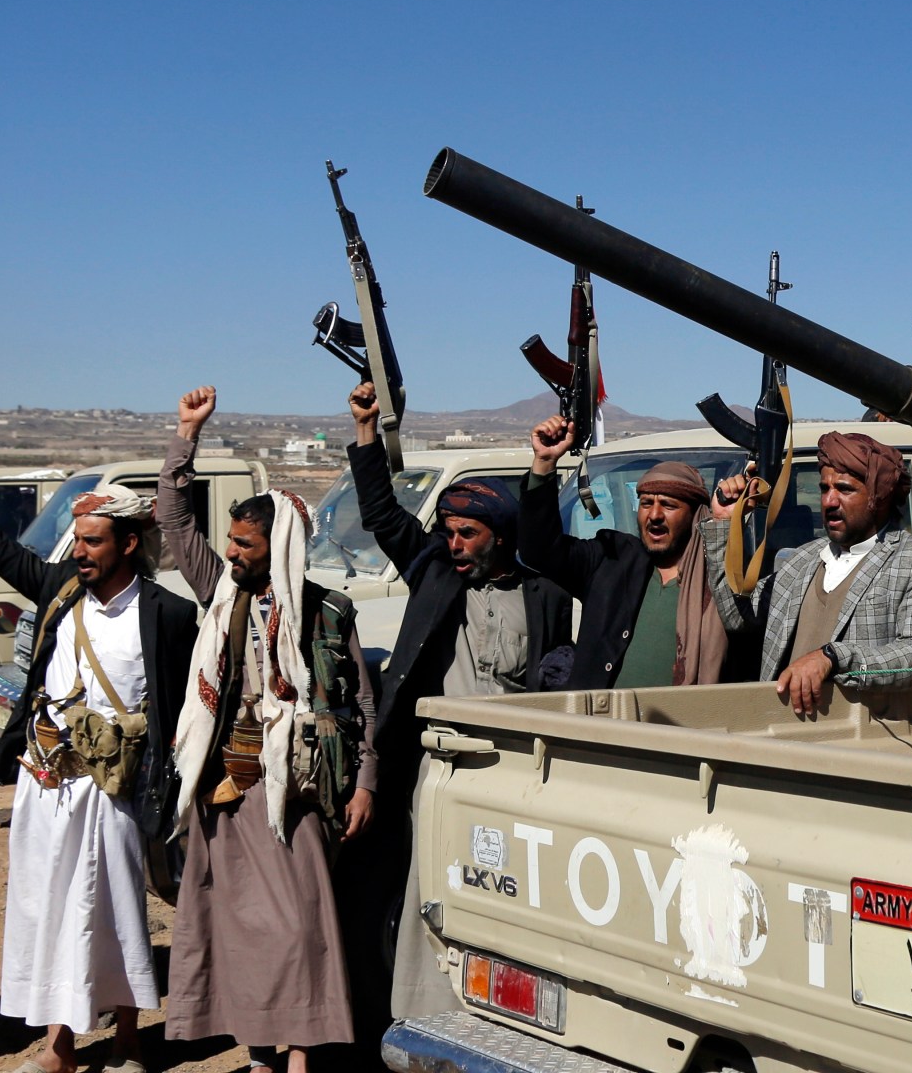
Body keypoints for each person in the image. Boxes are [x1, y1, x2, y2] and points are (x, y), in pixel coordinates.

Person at [0, 424, 195, 1073]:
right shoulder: (59, 591)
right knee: (49, 908)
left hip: (115, 789)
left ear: (129, 543)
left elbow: (181, 707)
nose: (81, 554)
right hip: (47, 783)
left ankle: (126, 1038)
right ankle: (59, 1047)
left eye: (93, 543)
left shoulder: (168, 615)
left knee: (115, 909)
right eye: (77, 543)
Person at [158, 388, 379, 1073]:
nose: (230, 553)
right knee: (238, 932)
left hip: (298, 797)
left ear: (277, 546)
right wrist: (185, 438)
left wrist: (366, 784)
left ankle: (304, 1056)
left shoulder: (329, 615)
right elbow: (174, 524)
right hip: (228, 790)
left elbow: (364, 709)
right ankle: (259, 1057)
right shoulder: (220, 593)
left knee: (300, 930)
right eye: (228, 541)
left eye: (245, 544)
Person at [342, 380, 572, 1027]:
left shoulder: (545, 594)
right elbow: (385, 516)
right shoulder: (434, 572)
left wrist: (543, 468)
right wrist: (366, 431)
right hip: (440, 770)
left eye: (468, 533)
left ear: (498, 536)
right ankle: (424, 1016)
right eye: (447, 532)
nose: (454, 543)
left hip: (516, 775)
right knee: (433, 890)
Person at [704, 431, 912, 715]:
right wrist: (723, 522)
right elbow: (737, 617)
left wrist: (833, 657)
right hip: (782, 734)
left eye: (845, 489)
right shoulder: (803, 558)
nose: (828, 501)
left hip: (861, 740)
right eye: (824, 488)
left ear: (881, 496)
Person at [515, 417, 725, 689]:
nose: (655, 515)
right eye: (646, 504)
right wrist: (544, 463)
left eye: (669, 505)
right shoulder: (612, 558)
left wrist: (725, 525)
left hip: (677, 727)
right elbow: (539, 551)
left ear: (696, 515)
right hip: (599, 725)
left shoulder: (717, 579)